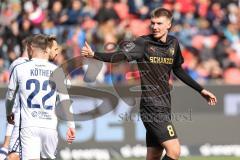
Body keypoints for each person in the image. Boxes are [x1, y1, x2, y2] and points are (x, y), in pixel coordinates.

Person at [81, 7, 217, 160]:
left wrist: (201, 90)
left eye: (159, 23)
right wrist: (94, 54)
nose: (155, 27)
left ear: (169, 25)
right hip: (151, 106)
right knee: (174, 151)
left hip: (165, 104)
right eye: (153, 23)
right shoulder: (143, 43)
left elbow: (178, 70)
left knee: (154, 155)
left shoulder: (174, 43)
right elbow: (119, 56)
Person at [5, 34, 75, 160]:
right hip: (49, 126)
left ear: (31, 48)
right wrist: (71, 125)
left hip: (29, 125)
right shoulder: (57, 71)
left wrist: (8, 113)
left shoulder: (19, 68)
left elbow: (10, 97)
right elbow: (65, 100)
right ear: (46, 49)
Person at [0, 36, 32, 160]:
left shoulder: (18, 63)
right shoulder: (21, 64)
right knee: (14, 154)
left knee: (11, 150)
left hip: (18, 115)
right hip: (20, 116)